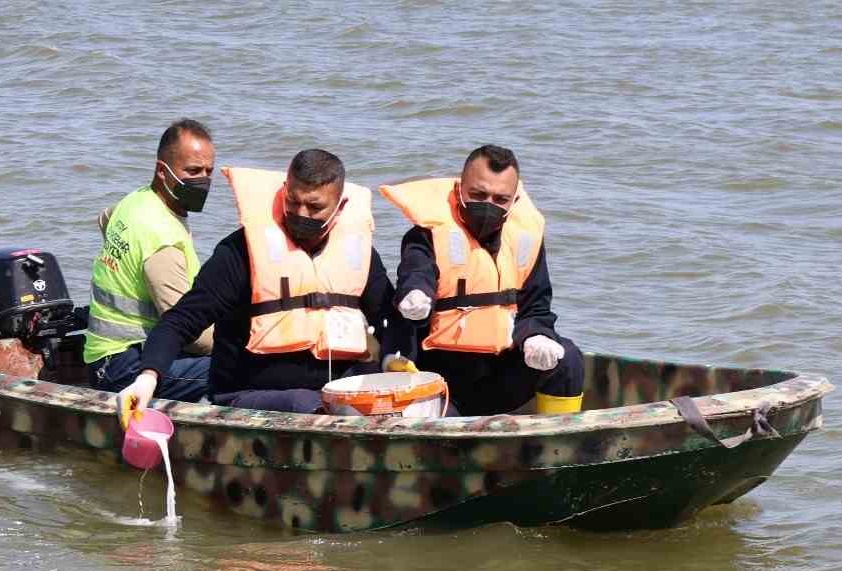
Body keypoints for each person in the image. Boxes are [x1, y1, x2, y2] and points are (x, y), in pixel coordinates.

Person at [116, 148, 395, 418]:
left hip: (336, 388)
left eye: (315, 207)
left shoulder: (359, 253)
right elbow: (180, 321)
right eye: (293, 202)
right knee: (309, 403)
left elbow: (391, 320)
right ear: (284, 191)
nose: (301, 214)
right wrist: (148, 378)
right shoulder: (240, 253)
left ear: (340, 205)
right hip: (250, 394)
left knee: (392, 398)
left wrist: (395, 360)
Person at [380, 144, 585, 416]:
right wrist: (415, 294)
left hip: (500, 372)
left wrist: (536, 335)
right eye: (478, 194)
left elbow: (536, 306)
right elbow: (417, 271)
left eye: (500, 199)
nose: (488, 206)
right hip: (439, 377)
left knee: (567, 357)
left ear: (514, 201)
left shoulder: (526, 239)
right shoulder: (425, 235)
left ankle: (557, 441)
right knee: (443, 421)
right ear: (459, 189)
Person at [82, 119, 216, 403]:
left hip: (103, 353)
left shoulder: (136, 201)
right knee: (237, 367)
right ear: (162, 171)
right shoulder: (161, 240)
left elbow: (104, 220)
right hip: (123, 367)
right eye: (192, 171)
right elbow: (192, 334)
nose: (202, 180)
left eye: (208, 171)